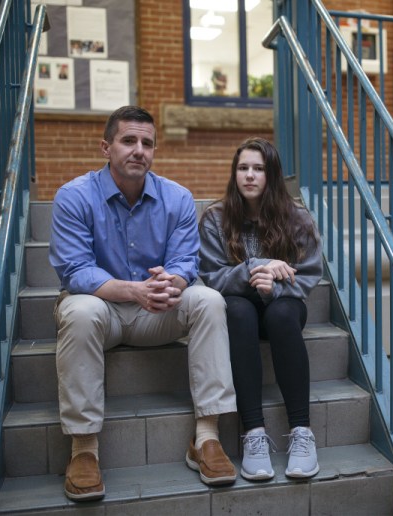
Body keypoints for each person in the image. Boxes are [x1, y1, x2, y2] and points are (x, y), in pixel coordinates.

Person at [49, 105, 238, 502]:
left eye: (147, 143)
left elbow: (186, 260)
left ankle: (206, 437)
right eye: (128, 141)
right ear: (106, 147)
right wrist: (134, 290)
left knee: (208, 299)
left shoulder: (178, 198)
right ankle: (84, 448)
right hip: (104, 314)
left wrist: (176, 282)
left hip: (158, 315)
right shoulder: (73, 197)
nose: (139, 150)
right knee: (77, 309)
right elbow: (75, 270)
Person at [198, 137, 322, 481]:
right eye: (242, 168)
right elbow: (210, 275)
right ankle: (253, 433)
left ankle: (302, 432)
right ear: (234, 174)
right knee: (236, 311)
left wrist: (275, 286)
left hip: (283, 304)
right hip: (240, 308)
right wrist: (259, 268)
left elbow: (310, 272)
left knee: (283, 314)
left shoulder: (296, 216)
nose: (249, 176)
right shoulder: (215, 217)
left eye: (258, 169)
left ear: (272, 175)